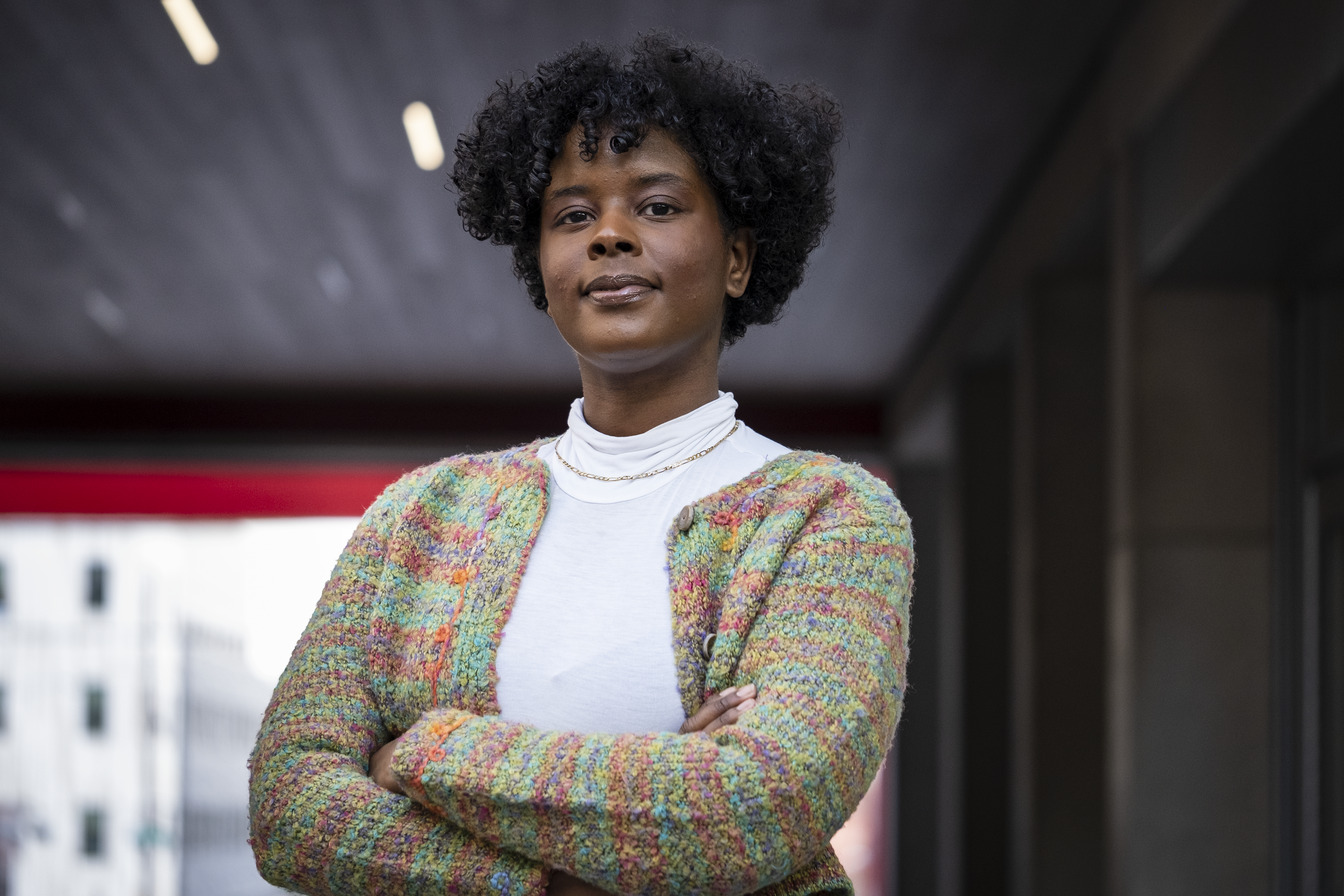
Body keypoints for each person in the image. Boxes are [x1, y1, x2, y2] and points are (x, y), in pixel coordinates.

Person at [248, 32, 913, 896]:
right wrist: (568, 880)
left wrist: (421, 753)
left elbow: (754, 807)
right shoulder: (420, 517)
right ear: (544, 265)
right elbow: (289, 808)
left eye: (658, 206)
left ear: (739, 257)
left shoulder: (830, 517)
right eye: (571, 215)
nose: (608, 236)